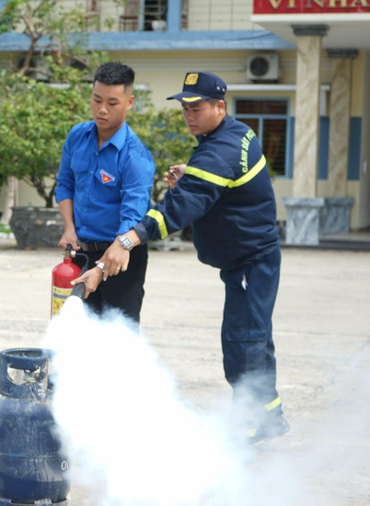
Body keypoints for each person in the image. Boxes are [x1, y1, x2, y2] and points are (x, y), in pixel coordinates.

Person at [75, 71, 289, 443]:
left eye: (197, 108)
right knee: (254, 337)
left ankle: (252, 421)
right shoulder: (237, 134)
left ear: (220, 107)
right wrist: (194, 175)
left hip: (250, 260)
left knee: (243, 341)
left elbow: (175, 210)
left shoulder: (217, 152)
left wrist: (127, 240)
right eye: (185, 108)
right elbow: (225, 182)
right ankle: (268, 415)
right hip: (250, 257)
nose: (189, 116)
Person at [55, 62, 156, 322]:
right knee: (77, 332)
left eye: (112, 103)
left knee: (117, 336)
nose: (102, 109)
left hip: (122, 256)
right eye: (97, 100)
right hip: (81, 253)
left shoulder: (135, 156)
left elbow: (132, 216)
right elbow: (65, 183)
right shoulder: (77, 136)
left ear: (129, 102)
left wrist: (105, 264)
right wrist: (69, 228)